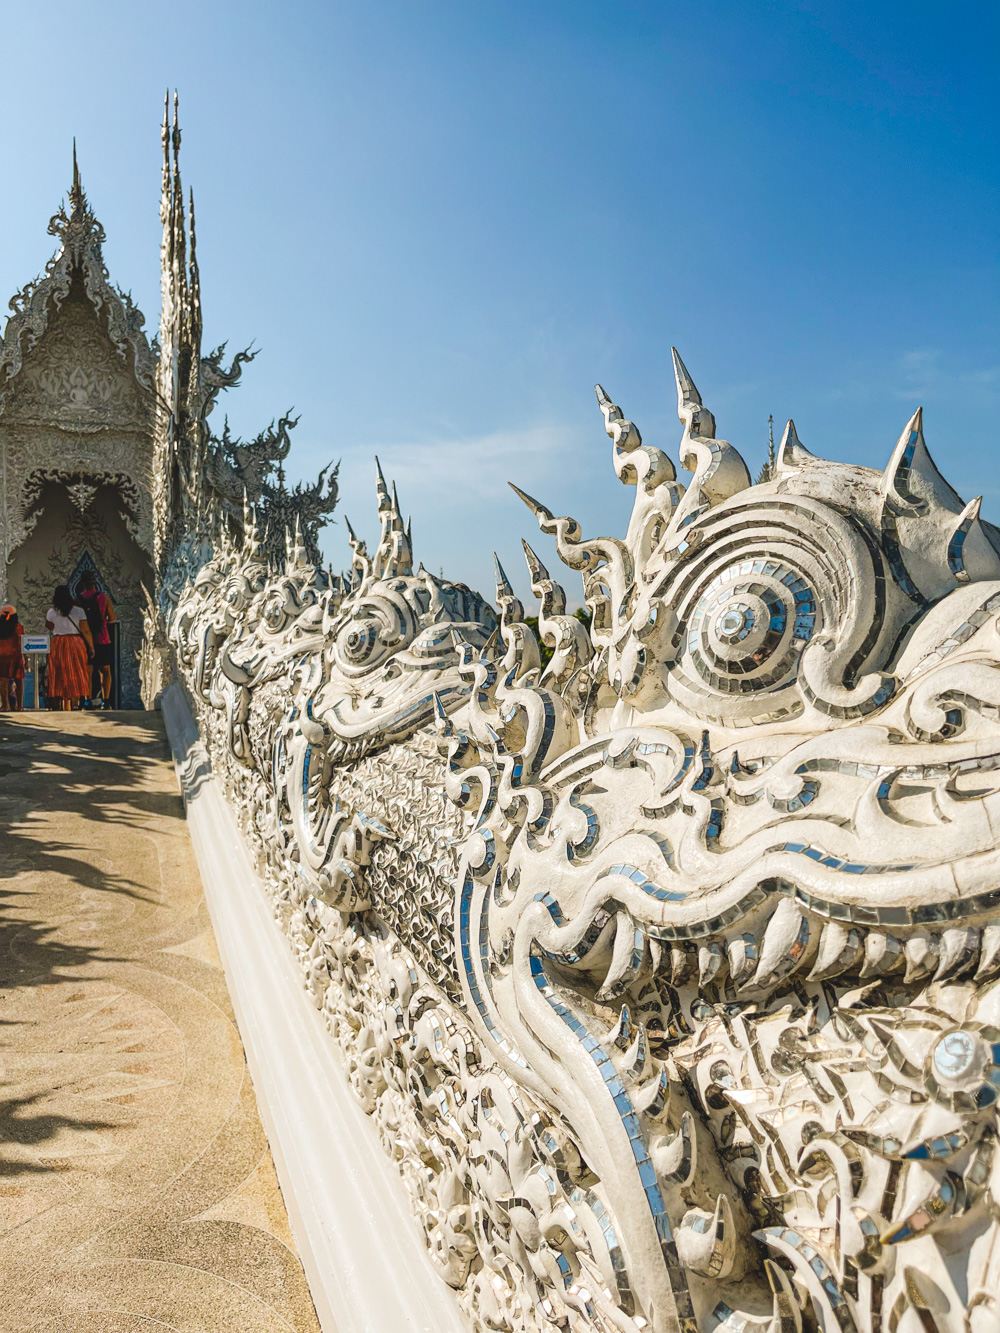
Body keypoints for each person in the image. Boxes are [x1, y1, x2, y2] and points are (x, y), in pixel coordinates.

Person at [46, 585, 93, 711]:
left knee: (58, 672)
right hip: (75, 642)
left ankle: (58, 701)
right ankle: (75, 702)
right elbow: (86, 630)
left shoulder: (51, 612)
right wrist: (91, 647)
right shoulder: (79, 611)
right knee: (76, 671)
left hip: (58, 643)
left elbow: (49, 627)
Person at [77, 572, 116, 708]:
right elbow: (112, 618)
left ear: (82, 584)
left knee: (88, 671)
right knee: (105, 670)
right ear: (95, 583)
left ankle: (87, 700)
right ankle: (106, 700)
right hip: (102, 637)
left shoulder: (78, 600)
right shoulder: (103, 598)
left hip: (85, 640)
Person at [0, 604, 24, 711]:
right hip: (16, 655)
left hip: (2, 655)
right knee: (18, 680)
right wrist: (25, 658)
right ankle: (19, 706)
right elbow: (21, 642)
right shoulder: (18, 627)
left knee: (3, 680)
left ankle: (6, 705)